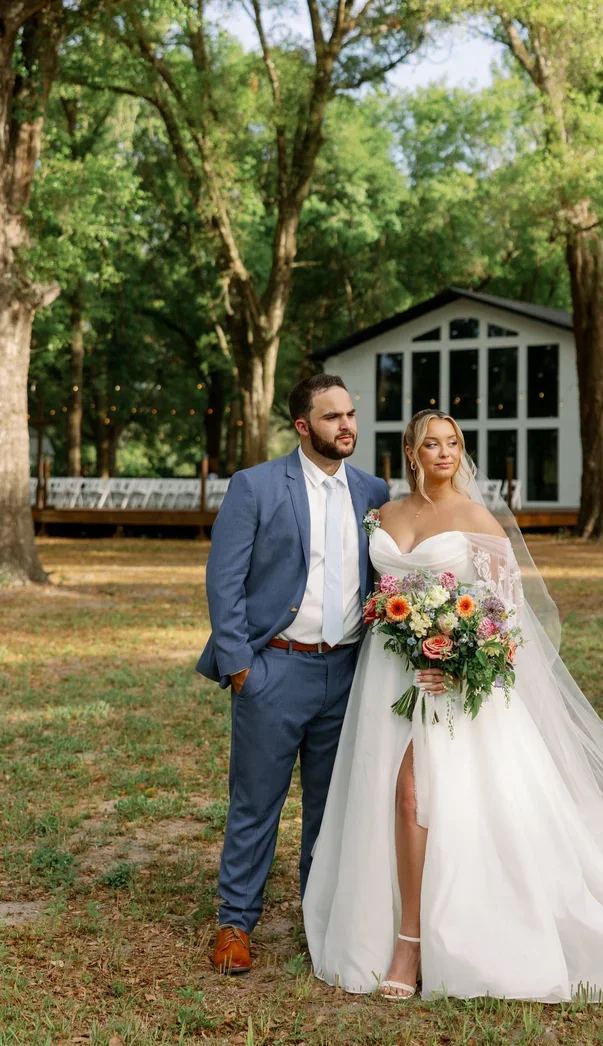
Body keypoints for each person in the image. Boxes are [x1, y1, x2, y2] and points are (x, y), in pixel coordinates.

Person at [303, 408, 603, 1003]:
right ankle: (378, 919)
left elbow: (505, 617)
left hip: (454, 687)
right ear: (411, 453)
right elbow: (380, 595)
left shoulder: (476, 518)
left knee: (414, 793)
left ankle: (411, 942)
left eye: (453, 443)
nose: (444, 453)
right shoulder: (384, 515)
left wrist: (453, 657)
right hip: (387, 680)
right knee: (381, 789)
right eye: (432, 444)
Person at [196, 375, 389, 974]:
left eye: (351, 414)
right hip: (274, 668)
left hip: (349, 672)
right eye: (333, 417)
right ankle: (235, 923)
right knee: (256, 802)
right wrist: (241, 670)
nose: (347, 426)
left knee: (332, 807)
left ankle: (320, 916)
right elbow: (224, 579)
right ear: (304, 426)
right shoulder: (255, 487)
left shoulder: (373, 491)